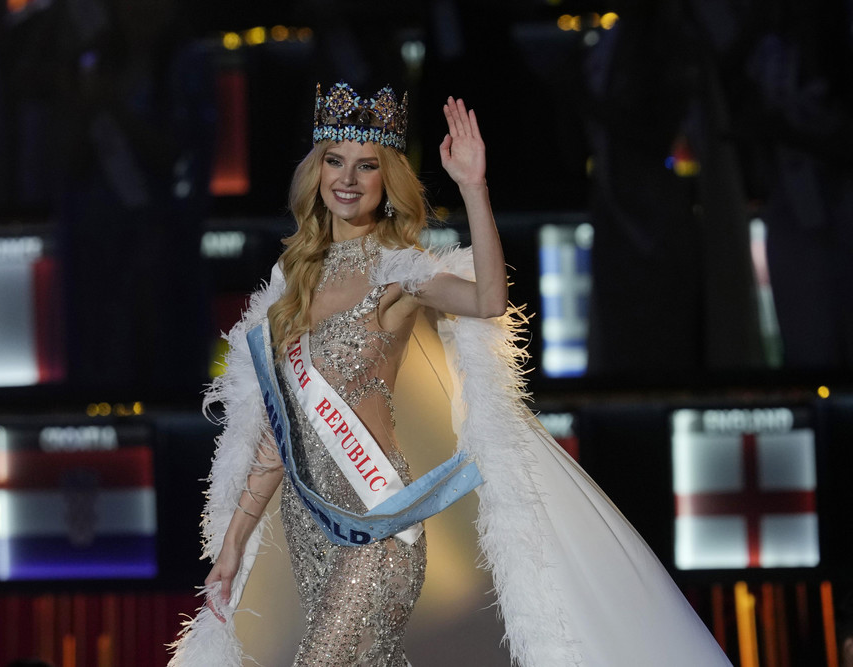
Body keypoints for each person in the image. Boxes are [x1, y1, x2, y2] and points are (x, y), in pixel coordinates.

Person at [169, 83, 733, 666]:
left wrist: (473, 187)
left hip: (379, 527)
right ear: (316, 173)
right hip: (311, 530)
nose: (348, 179)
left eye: (367, 166)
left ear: (387, 181)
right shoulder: (291, 288)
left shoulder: (398, 273)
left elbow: (489, 299)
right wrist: (232, 547)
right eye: (335, 161)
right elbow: (275, 438)